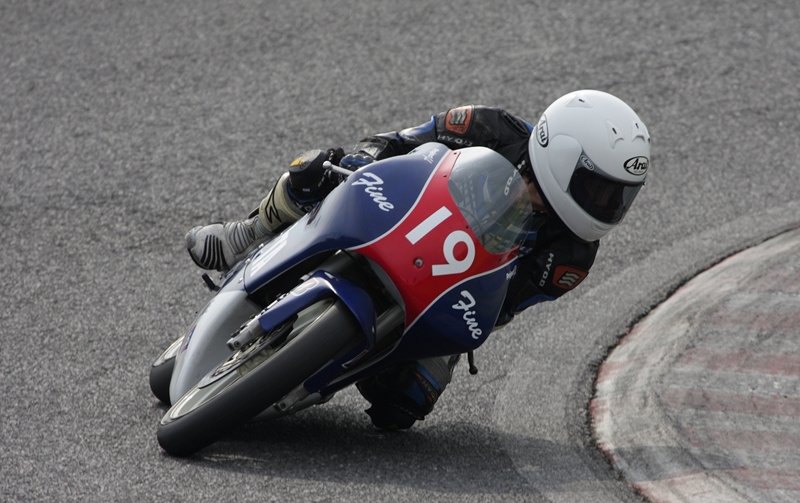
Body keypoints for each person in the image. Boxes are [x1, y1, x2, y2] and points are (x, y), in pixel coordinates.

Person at [185, 90, 651, 430]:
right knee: (316, 171)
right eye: (599, 190)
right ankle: (244, 236)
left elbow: (502, 308)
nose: (608, 206)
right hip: (398, 213)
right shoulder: (488, 127)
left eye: (618, 197)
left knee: (403, 405)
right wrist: (362, 162)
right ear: (563, 156)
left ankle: (327, 364)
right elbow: (394, 143)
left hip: (452, 285)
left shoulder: (573, 256)